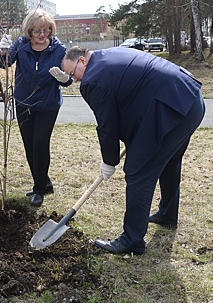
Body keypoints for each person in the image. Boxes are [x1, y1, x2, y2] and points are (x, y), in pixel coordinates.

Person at [61, 46, 205, 255]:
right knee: (169, 161)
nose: (74, 80)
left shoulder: (92, 79)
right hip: (190, 98)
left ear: (82, 61)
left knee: (138, 172)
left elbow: (107, 125)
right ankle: (167, 214)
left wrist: (109, 161)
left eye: (73, 74)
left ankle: (132, 240)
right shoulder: (108, 54)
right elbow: (131, 95)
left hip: (172, 108)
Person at [0, 9, 72, 207]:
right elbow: (4, 63)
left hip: (47, 105)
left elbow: (68, 77)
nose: (42, 35)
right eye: (37, 31)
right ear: (29, 30)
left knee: (39, 144)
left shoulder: (59, 50)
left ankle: (39, 189)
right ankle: (44, 181)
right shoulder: (21, 45)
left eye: (46, 30)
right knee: (29, 145)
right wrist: (2, 50)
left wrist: (65, 79)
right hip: (23, 103)